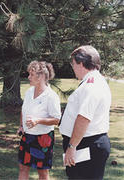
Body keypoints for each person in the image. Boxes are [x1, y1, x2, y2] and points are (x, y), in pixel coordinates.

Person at [59, 45, 111, 179]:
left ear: (81, 64)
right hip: (84, 142)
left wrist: (72, 146)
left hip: (86, 144)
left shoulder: (91, 85)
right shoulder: (92, 82)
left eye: (74, 64)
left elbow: (83, 119)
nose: (73, 68)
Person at [17, 61, 61, 180]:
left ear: (40, 76)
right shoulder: (29, 92)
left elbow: (57, 119)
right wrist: (21, 126)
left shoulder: (51, 96)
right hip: (27, 136)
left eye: (31, 74)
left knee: (42, 173)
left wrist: (38, 121)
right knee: (23, 168)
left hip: (43, 139)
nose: (28, 77)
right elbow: (23, 109)